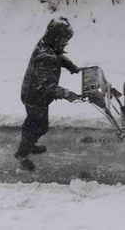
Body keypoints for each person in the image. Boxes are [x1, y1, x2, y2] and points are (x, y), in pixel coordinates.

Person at [15, 17, 81, 171]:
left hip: (35, 94)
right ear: (57, 37)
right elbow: (45, 86)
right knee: (38, 126)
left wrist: (70, 66)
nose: (66, 42)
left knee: (35, 124)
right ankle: (22, 154)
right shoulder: (45, 56)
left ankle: (29, 145)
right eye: (65, 39)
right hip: (35, 96)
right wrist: (64, 93)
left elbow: (58, 57)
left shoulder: (47, 46)